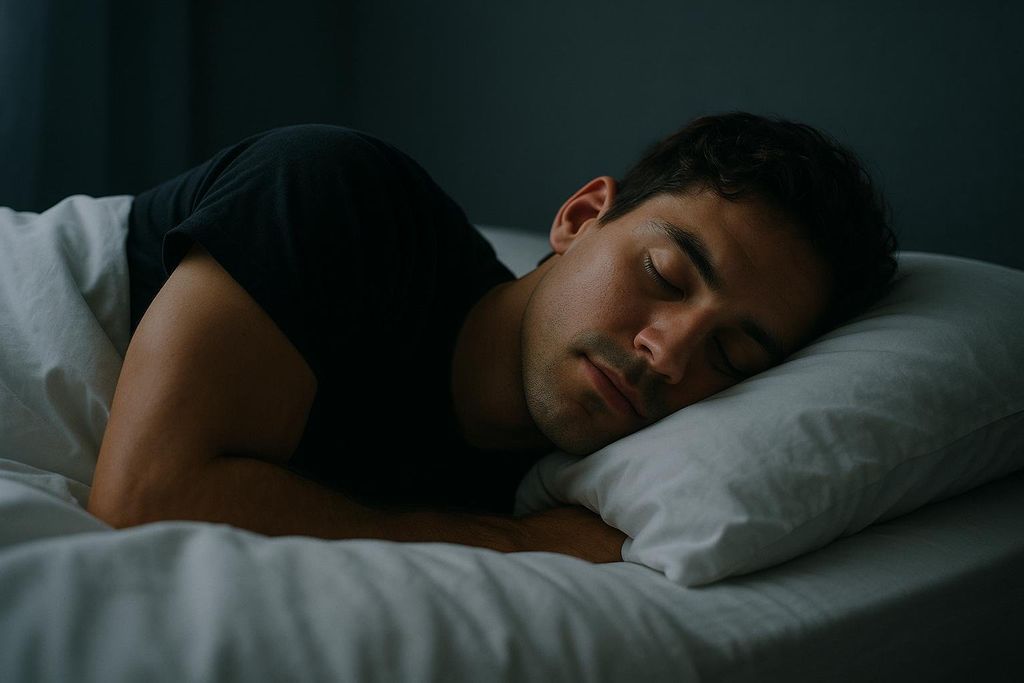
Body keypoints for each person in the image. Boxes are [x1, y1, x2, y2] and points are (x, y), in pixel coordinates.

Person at [86, 112, 898, 563]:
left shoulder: (577, 477)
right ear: (581, 218)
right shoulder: (335, 193)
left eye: (733, 355)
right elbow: (146, 498)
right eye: (664, 272)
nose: (671, 353)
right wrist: (518, 544)